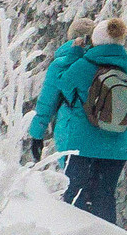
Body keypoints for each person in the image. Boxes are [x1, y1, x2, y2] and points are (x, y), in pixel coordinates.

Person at [48, 16, 127, 224]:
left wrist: (74, 53)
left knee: (77, 199)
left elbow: (62, 82)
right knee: (104, 198)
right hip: (116, 147)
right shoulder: (126, 67)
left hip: (82, 146)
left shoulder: (84, 65)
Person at [25, 18, 94, 164]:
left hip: (70, 128)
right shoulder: (102, 61)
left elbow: (47, 102)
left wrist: (37, 135)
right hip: (102, 128)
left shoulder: (60, 64)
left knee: (73, 179)